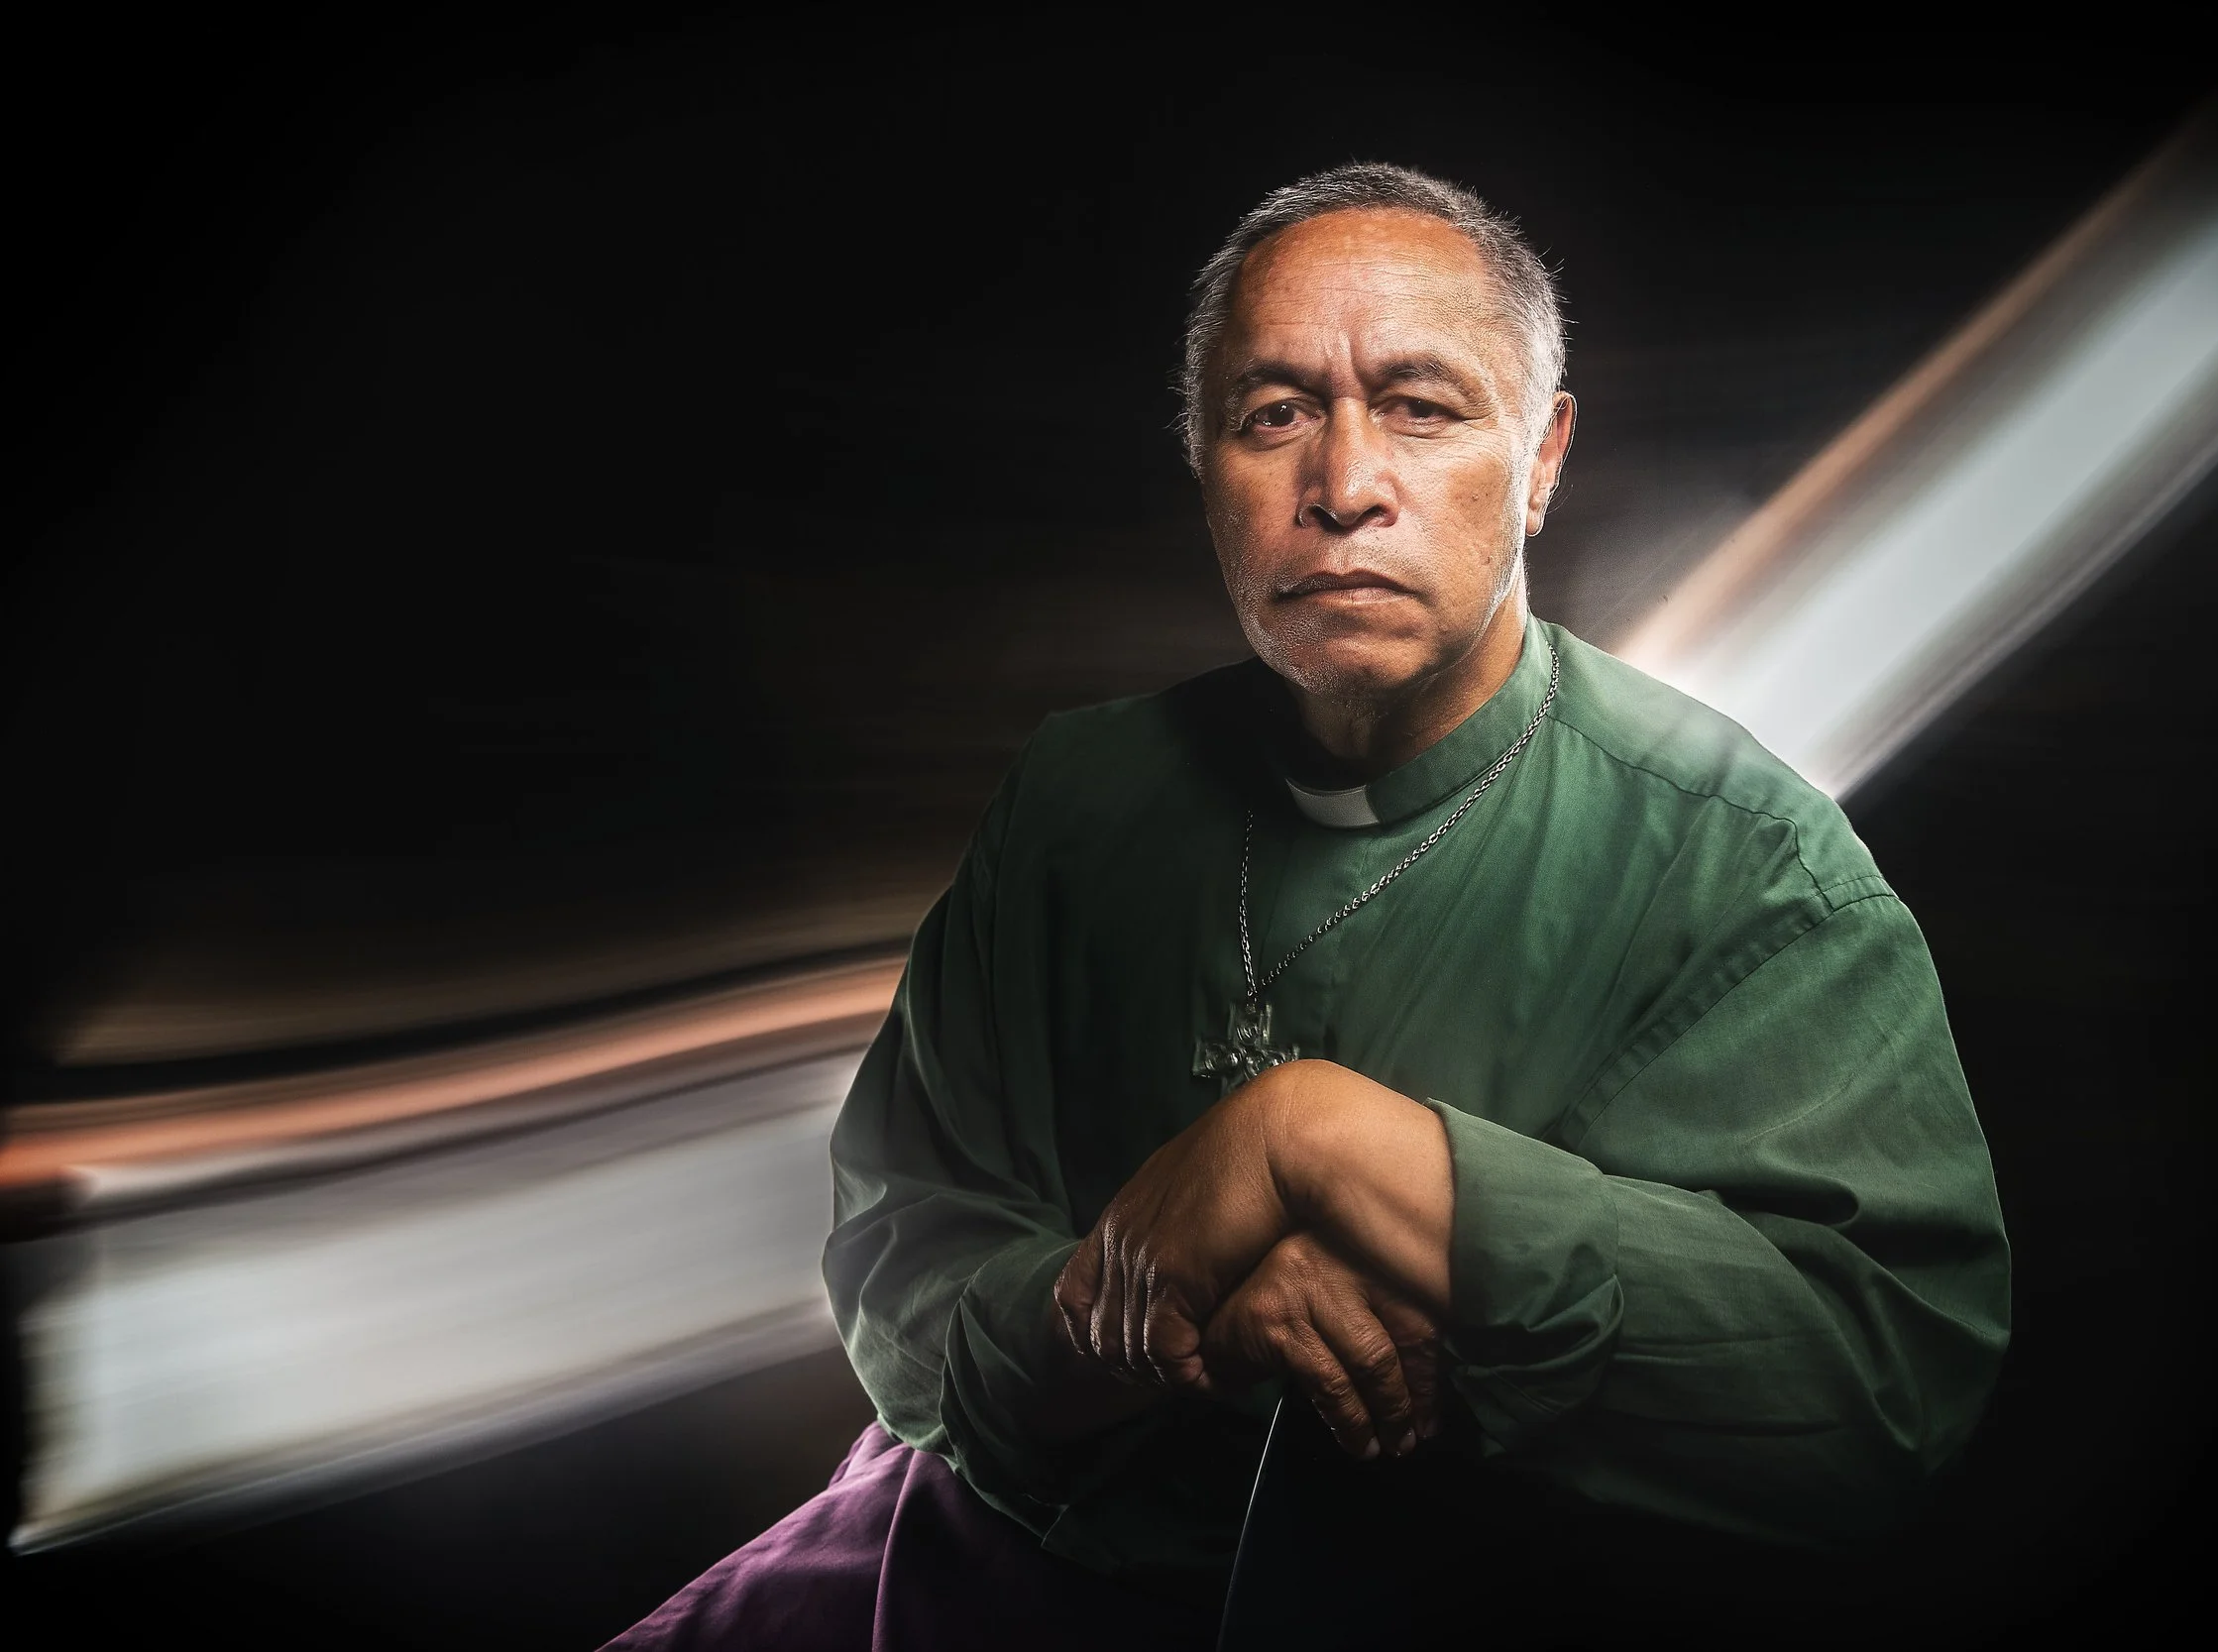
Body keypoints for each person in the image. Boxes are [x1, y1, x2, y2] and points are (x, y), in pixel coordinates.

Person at [608, 163, 2009, 1651]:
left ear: (1542, 456)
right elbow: (901, 1260)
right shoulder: (1076, 801)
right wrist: (1144, 1318)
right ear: (1204, 462)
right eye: (1274, 413)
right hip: (960, 1559)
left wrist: (1335, 1144)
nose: (1344, 486)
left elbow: (1874, 1400)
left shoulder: (1748, 862)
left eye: (1421, 404)